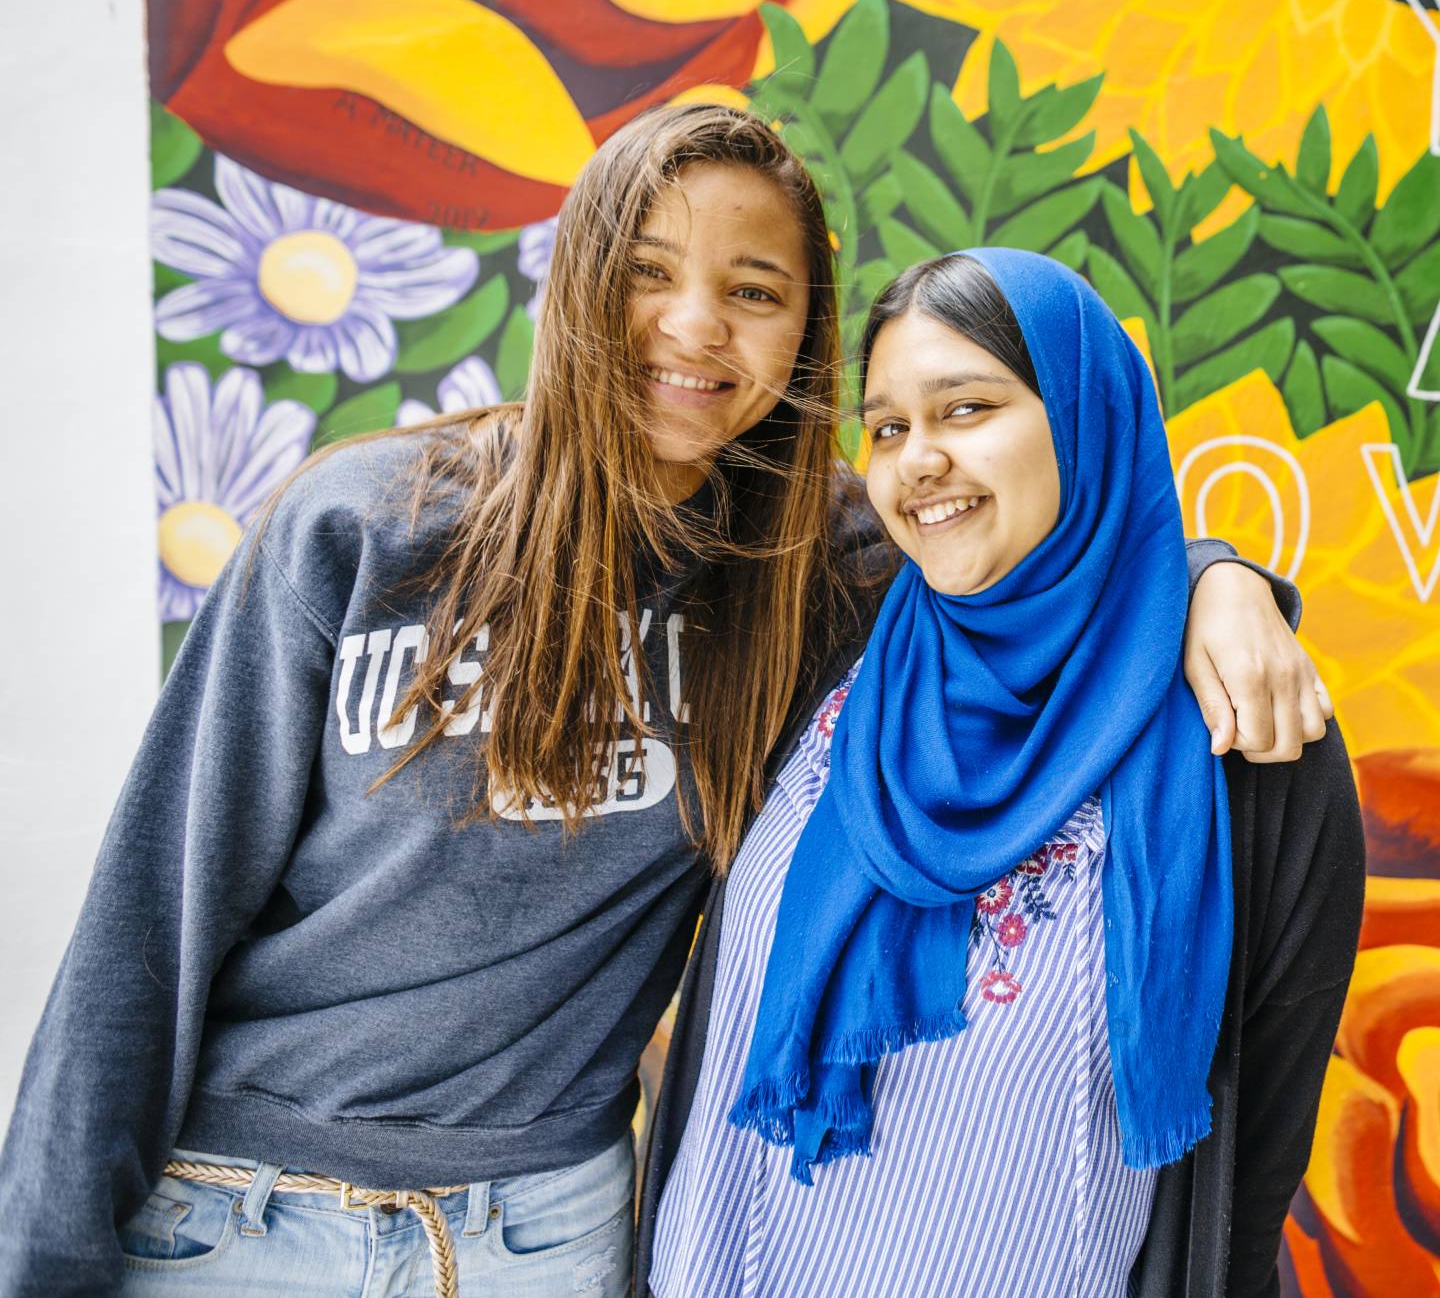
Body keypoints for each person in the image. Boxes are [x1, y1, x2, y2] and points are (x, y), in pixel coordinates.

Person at [0, 112, 1324, 1298]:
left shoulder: (816, 577)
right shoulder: (366, 529)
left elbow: (1047, 533)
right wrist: (46, 1256)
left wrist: (1218, 580)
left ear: (802, 331)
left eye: (754, 291)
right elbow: (149, 915)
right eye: (646, 272)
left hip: (548, 1229)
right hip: (244, 1210)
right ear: (577, 284)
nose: (695, 328)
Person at [642, 250, 1364, 1298]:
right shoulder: (831, 636)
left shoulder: (1242, 740)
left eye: (966, 407)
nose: (915, 460)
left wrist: (1214, 579)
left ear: (1084, 416)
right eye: (887, 428)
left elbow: (1256, 1159)